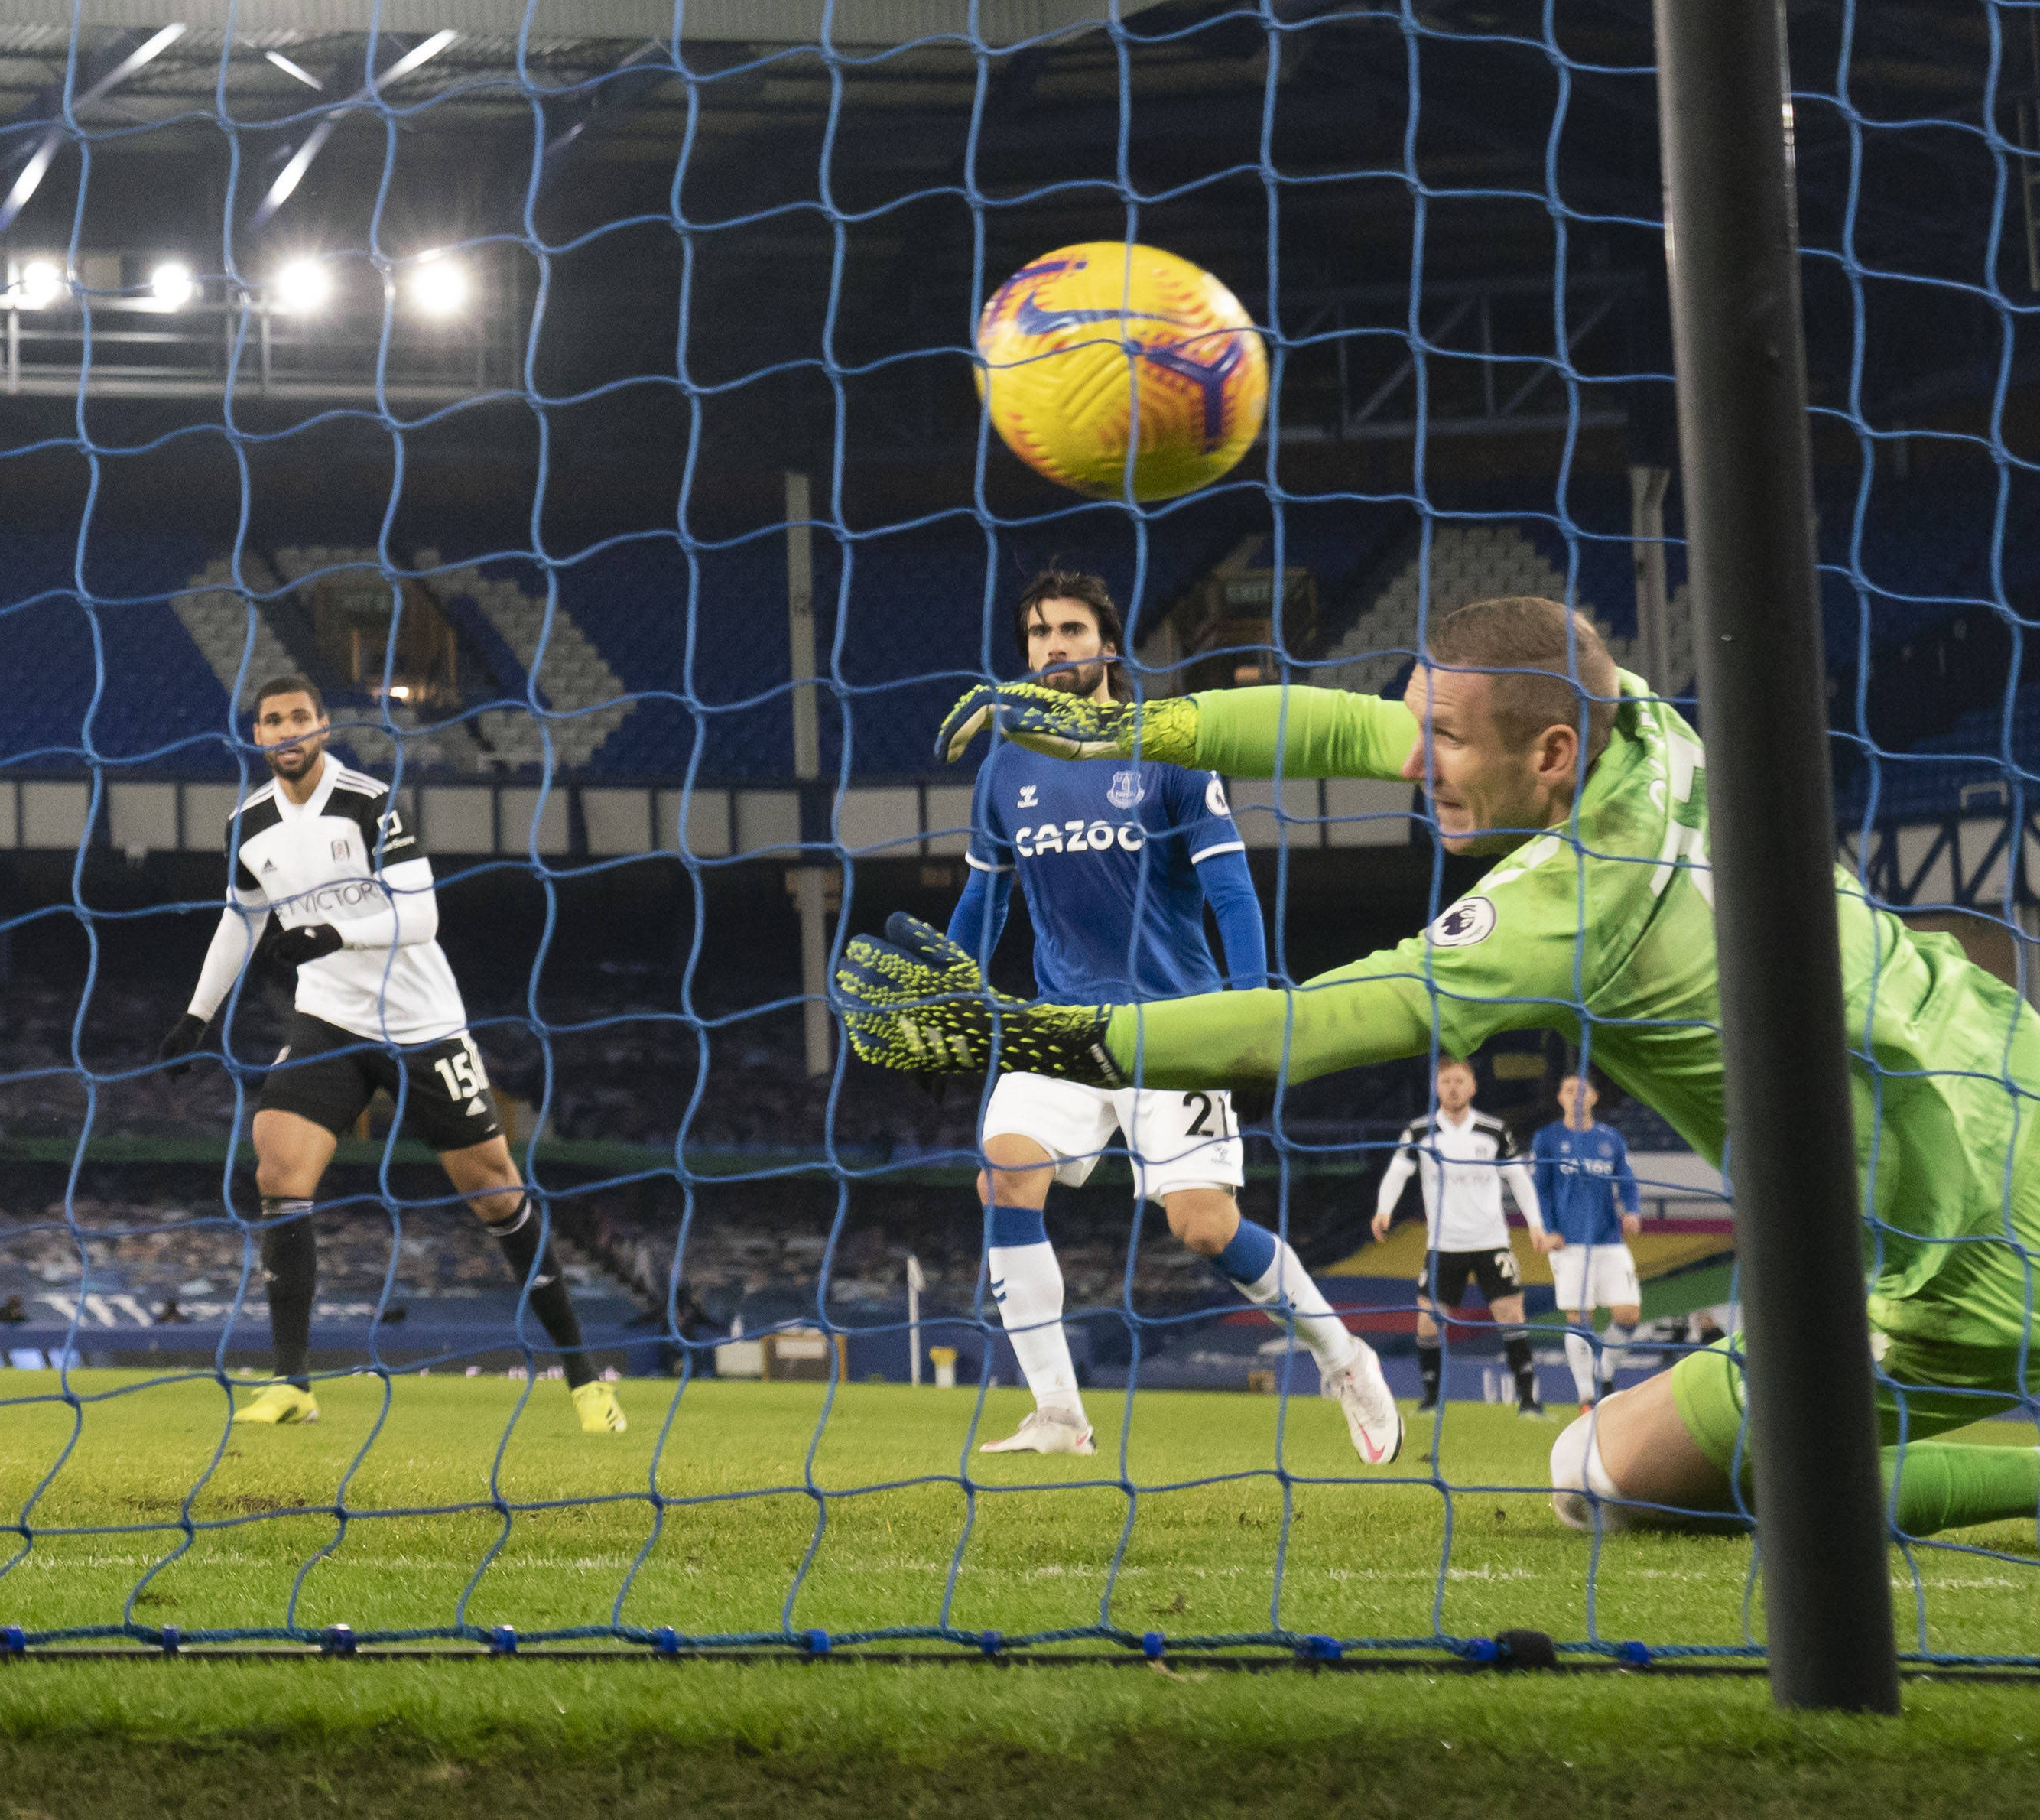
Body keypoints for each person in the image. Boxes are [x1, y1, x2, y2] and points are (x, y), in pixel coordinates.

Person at [846, 596, 2040, 1543]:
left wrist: (1066, 1036)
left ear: (1553, 753)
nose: (1420, 764)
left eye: (1453, 743)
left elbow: (1302, 1028)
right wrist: (1134, 727)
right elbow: (1360, 730)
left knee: (1602, 1480)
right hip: (2013, 1071)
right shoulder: (1657, 732)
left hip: (1953, 1273)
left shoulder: (1564, 911)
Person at [948, 570, 1392, 1464]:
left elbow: (1230, 888)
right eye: (1036, 633)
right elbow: (984, 900)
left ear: (1109, 644)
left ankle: (1343, 1356)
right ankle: (1059, 1414)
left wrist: (1255, 1006)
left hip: (1175, 1025)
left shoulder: (1171, 747)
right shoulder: (1005, 765)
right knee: (1004, 1174)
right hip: (1062, 1025)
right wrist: (949, 991)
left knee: (1202, 1225)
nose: (1051, 646)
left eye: (1070, 629)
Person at [161, 671, 622, 1432]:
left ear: (322, 728)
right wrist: (196, 1015)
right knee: (277, 1160)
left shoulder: (369, 801)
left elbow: (423, 913)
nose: (286, 730)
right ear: (258, 735)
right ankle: (293, 1385)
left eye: (299, 717)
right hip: (329, 1020)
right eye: (272, 720)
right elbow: (240, 921)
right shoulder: (246, 824)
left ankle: (583, 1379)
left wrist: (333, 933)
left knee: (496, 1192)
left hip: (420, 1024)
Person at [1372, 1057, 1546, 1422]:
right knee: (1428, 1321)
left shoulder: (1493, 1130)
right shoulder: (1420, 1131)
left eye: (1459, 1081)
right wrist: (1384, 1209)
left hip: (1490, 1240)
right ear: (1437, 1088)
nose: (1453, 1087)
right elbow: (1398, 1172)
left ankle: (1529, 1401)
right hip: (1443, 1244)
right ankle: (1432, 1399)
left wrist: (1535, 1223)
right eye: (1446, 1081)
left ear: (1473, 1087)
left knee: (1512, 1314)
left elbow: (1518, 1177)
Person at [1531, 1071, 1646, 1407]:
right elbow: (1541, 1188)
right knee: (1579, 1318)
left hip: (1609, 1239)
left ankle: (1603, 1370)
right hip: (1568, 1244)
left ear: (1594, 1097)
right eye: (1569, 1090)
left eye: (1582, 1091)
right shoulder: (1547, 1139)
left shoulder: (1611, 1139)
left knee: (1629, 1314)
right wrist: (1549, 1229)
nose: (1576, 1096)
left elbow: (1627, 1182)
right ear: (1560, 1098)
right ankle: (1586, 1396)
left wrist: (1633, 1211)